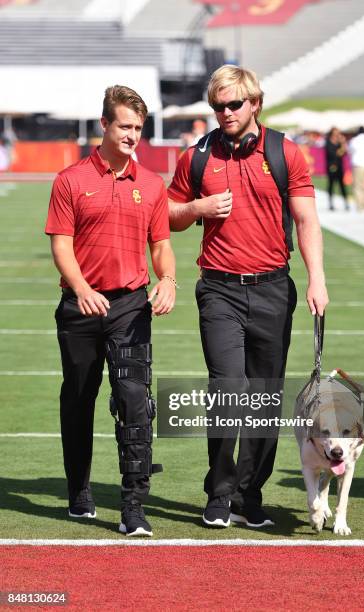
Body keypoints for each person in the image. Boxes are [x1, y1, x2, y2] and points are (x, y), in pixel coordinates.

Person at [167, 65, 328, 528]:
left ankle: (248, 493)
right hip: (218, 289)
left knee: (263, 398)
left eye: (234, 104)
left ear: (255, 103)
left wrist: (317, 278)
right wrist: (197, 208)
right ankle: (218, 493)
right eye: (218, 106)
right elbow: (169, 215)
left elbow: (306, 221)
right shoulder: (196, 156)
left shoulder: (285, 152)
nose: (226, 113)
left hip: (274, 288)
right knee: (227, 392)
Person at [45, 85, 176, 537]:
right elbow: (60, 244)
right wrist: (81, 288)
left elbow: (161, 245)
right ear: (104, 124)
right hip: (79, 307)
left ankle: (134, 505)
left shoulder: (153, 184)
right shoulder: (70, 180)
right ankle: (79, 490)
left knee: (135, 400)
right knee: (78, 400)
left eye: (139, 128)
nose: (132, 135)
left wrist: (169, 280)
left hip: (130, 307)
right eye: (125, 126)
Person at [349, 126, 364, 211]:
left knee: (357, 186)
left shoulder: (355, 140)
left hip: (358, 164)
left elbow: (350, 151)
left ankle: (359, 206)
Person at [325, 127, 349, 211]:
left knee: (342, 185)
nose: (337, 135)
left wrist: (343, 144)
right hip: (331, 167)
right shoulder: (328, 142)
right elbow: (334, 154)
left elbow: (344, 152)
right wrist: (342, 147)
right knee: (331, 185)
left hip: (339, 167)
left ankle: (346, 203)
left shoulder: (339, 143)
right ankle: (331, 203)